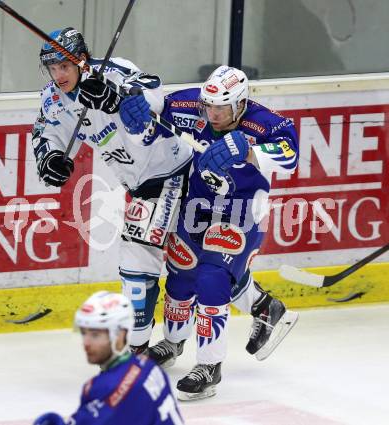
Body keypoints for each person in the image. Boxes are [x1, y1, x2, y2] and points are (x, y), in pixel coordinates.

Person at [119, 65, 299, 400]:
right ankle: (174, 342)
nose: (212, 114)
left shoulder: (265, 122)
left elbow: (290, 155)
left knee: (212, 279)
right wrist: (137, 102)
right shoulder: (195, 105)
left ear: (241, 104)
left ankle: (209, 366)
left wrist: (247, 151)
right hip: (195, 207)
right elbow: (158, 103)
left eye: (221, 108)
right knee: (180, 277)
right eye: (208, 106)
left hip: (241, 213)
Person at [32, 27, 193, 354]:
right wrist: (50, 159)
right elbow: (48, 135)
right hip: (141, 185)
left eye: (64, 66)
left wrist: (116, 98)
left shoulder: (113, 70)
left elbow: (153, 92)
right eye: (52, 68)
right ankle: (147, 348)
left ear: (80, 61)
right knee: (145, 269)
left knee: (159, 267)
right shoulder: (53, 99)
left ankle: (143, 350)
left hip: (175, 171)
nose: (58, 74)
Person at [33, 291, 184, 424]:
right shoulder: (147, 365)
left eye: (95, 335)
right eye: (84, 333)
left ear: (120, 335)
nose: (86, 343)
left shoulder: (107, 387)